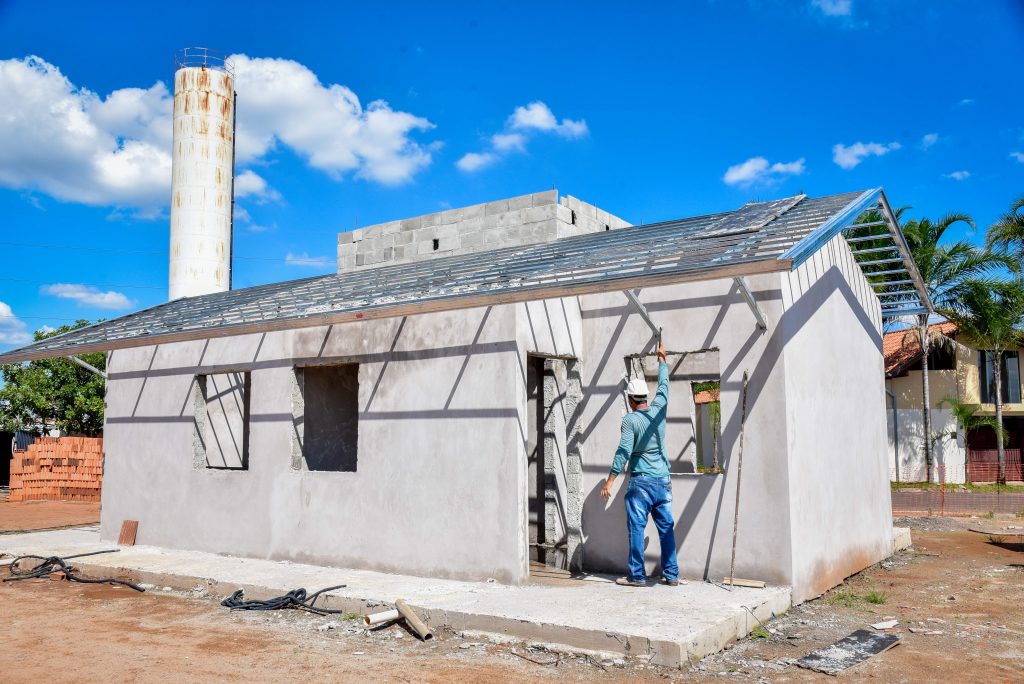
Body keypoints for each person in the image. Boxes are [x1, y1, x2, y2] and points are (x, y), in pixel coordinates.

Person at [600, 338, 679, 587]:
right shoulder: (659, 411)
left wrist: (610, 481)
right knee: (666, 528)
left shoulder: (630, 421)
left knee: (636, 528)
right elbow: (664, 387)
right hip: (663, 481)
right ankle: (672, 575)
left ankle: (636, 576)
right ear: (644, 396)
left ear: (631, 400)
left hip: (642, 483)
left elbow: (623, 451)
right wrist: (662, 360)